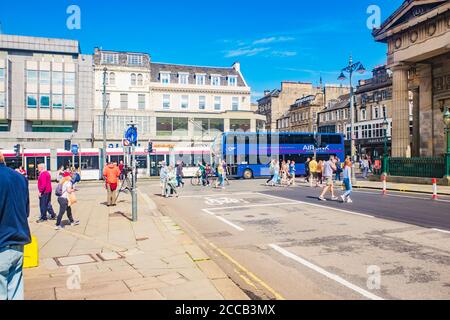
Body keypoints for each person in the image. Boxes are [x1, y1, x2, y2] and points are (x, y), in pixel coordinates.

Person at [0, 151, 31, 300]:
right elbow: (26, 211)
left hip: (1, 243)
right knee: (16, 291)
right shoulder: (20, 178)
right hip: (18, 242)